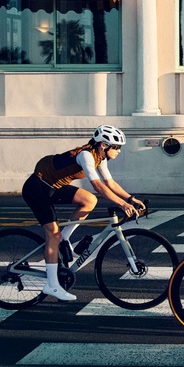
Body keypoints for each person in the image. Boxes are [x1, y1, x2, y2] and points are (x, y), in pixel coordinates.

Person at [21, 125, 147, 301]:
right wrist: (122, 204)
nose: (118, 151)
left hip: (53, 187)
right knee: (53, 234)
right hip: (37, 188)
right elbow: (98, 186)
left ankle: (65, 239)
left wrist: (131, 199)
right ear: (104, 145)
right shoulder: (86, 155)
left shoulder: (99, 158)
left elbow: (110, 183)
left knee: (89, 200)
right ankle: (52, 285)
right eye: (116, 147)